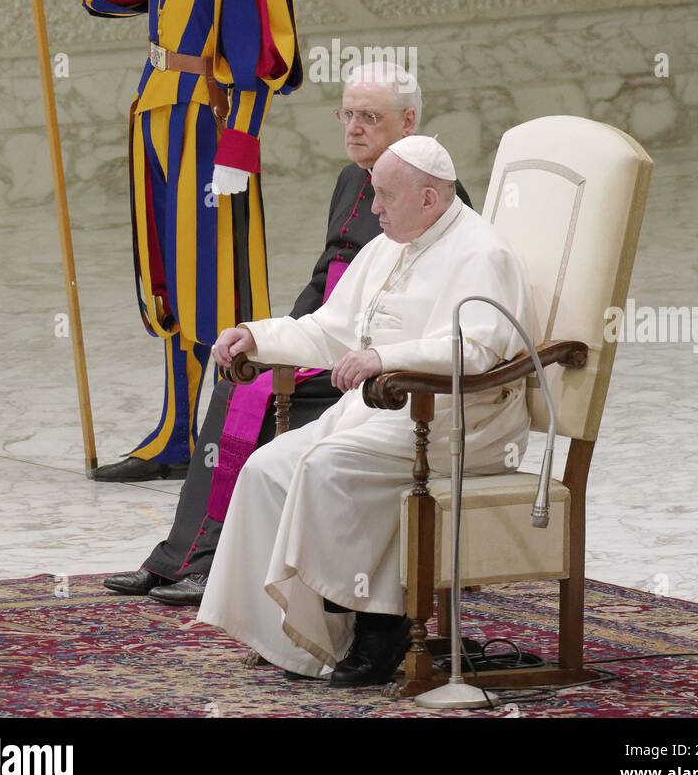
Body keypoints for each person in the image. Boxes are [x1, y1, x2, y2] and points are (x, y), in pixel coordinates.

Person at [5, 0, 302, 480]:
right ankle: (176, 433)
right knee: (166, 282)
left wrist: (240, 148)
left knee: (219, 287)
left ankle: (227, 438)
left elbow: (262, 58)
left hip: (208, 121)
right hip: (155, 113)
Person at [102, 65, 472, 605]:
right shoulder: (352, 180)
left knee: (243, 391)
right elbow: (325, 280)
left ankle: (212, 562)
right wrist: (277, 342)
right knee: (240, 375)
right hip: (329, 339)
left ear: (409, 121)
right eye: (347, 114)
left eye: (370, 117)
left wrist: (360, 353)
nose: (353, 128)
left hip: (378, 364)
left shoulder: (432, 194)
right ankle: (181, 559)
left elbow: (431, 303)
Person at [200, 135, 535, 688]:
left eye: (385, 196)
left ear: (429, 199)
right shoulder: (387, 245)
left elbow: (476, 351)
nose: (372, 208)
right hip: (383, 410)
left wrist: (386, 357)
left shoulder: (482, 253)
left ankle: (379, 630)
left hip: (459, 419)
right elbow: (330, 330)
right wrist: (254, 338)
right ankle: (298, 637)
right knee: (267, 468)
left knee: (327, 467)